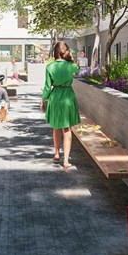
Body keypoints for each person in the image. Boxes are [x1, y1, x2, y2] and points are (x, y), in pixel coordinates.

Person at [39, 41, 80, 170]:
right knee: (67, 129)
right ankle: (66, 160)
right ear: (65, 51)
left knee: (56, 127)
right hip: (68, 95)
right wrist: (71, 58)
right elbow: (77, 68)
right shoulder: (71, 66)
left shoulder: (50, 67)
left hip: (55, 96)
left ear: (55, 52)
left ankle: (57, 153)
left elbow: (47, 86)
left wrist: (43, 100)